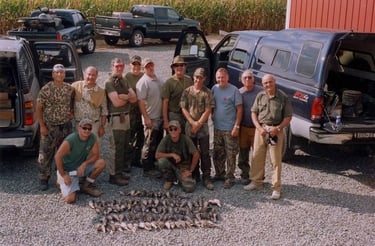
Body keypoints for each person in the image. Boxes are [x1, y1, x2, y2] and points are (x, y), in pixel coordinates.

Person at [244, 74, 293, 200]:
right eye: (265, 83)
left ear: (274, 82)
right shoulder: (260, 96)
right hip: (261, 130)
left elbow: (288, 117)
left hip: (276, 130)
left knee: (275, 160)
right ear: (263, 84)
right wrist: (259, 128)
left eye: (270, 82)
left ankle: (276, 188)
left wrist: (278, 128)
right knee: (257, 157)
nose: (268, 85)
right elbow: (253, 112)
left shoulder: (283, 97)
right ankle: (256, 182)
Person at [36, 64, 75, 191]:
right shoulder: (46, 89)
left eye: (62, 72)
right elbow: (39, 108)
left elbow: (73, 103)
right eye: (57, 72)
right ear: (53, 74)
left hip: (65, 126)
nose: (59, 74)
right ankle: (44, 178)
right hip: (50, 126)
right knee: (46, 153)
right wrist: (42, 126)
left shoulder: (69, 89)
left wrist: (71, 113)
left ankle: (61, 176)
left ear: (64, 74)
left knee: (64, 153)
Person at [55, 119, 106, 204]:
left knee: (102, 163)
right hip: (68, 171)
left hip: (80, 168)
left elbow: (96, 155)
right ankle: (60, 181)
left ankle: (86, 186)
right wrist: (64, 175)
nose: (87, 130)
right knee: (70, 199)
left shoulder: (92, 137)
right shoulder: (71, 140)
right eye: (84, 128)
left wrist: (84, 164)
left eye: (89, 128)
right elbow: (57, 156)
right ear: (79, 128)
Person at [180, 68, 215, 190]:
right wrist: (192, 123)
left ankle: (207, 177)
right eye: (196, 77)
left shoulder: (207, 92)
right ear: (193, 77)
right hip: (190, 126)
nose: (197, 79)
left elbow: (208, 110)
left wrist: (198, 123)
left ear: (204, 78)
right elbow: (183, 108)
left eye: (200, 77)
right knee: (191, 152)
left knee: (205, 153)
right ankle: (194, 175)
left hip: (203, 127)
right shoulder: (187, 91)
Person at [105, 57, 137, 186]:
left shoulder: (124, 80)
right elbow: (116, 103)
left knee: (124, 146)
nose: (119, 68)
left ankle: (120, 171)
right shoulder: (109, 82)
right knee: (116, 148)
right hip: (116, 117)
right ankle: (114, 175)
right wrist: (126, 97)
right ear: (112, 67)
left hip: (126, 116)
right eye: (117, 66)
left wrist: (124, 96)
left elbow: (134, 98)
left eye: (121, 66)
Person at [212, 68, 243, 189]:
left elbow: (239, 109)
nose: (221, 80)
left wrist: (236, 126)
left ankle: (230, 177)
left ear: (227, 77)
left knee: (231, 154)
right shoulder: (214, 88)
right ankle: (220, 173)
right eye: (218, 77)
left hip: (230, 128)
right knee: (218, 153)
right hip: (217, 128)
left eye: (222, 77)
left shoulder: (234, 90)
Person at [136, 58, 164, 177]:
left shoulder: (158, 79)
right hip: (150, 118)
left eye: (151, 65)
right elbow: (141, 102)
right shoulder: (143, 82)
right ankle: (147, 168)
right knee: (148, 144)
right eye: (147, 66)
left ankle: (154, 163)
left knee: (157, 142)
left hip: (159, 117)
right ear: (143, 69)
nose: (150, 67)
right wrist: (146, 118)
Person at [155, 120, 199, 192]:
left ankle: (179, 177)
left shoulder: (185, 139)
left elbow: (196, 154)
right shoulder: (166, 139)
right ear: (168, 130)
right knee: (161, 162)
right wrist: (172, 155)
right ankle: (170, 179)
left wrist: (190, 170)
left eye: (175, 129)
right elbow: (157, 155)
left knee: (189, 188)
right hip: (171, 166)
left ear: (180, 130)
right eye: (171, 129)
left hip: (183, 168)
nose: (173, 131)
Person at [237, 70, 262, 185]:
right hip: (243, 127)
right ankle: (245, 174)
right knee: (243, 153)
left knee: (257, 153)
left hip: (256, 128)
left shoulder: (260, 93)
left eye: (250, 77)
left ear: (253, 79)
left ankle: (258, 176)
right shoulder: (239, 93)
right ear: (242, 80)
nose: (247, 80)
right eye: (245, 78)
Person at [71, 66, 108, 140]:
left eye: (93, 75)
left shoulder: (101, 92)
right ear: (84, 75)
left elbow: (104, 111)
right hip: (79, 125)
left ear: (97, 76)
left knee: (93, 149)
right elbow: (67, 100)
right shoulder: (75, 86)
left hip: (94, 126)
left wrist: (102, 126)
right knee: (78, 149)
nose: (91, 77)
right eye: (89, 74)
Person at [162, 55, 193, 132]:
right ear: (173, 68)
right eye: (176, 65)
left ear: (184, 67)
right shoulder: (169, 82)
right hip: (174, 115)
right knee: (174, 138)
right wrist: (165, 121)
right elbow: (165, 102)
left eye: (181, 65)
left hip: (187, 114)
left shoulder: (189, 80)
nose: (179, 67)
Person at [125, 55, 144, 168]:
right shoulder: (126, 77)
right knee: (130, 136)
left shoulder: (143, 76)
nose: (136, 66)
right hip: (131, 110)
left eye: (138, 64)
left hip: (141, 110)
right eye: (134, 64)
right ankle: (127, 161)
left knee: (141, 135)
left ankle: (136, 159)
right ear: (130, 65)